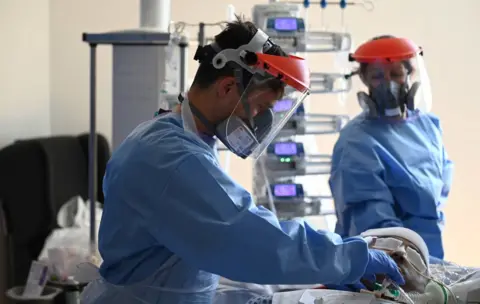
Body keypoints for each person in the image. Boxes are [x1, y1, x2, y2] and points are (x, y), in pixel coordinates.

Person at [80, 19, 404, 304]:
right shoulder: (170, 158)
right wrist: (347, 258)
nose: (262, 122)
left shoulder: (182, 138)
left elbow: (198, 255)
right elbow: (247, 235)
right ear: (227, 87)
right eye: (261, 108)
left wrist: (277, 288)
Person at [329, 35, 454, 260]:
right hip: (386, 266)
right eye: (378, 76)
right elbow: (379, 232)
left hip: (432, 257)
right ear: (364, 80)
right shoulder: (356, 142)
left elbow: (438, 194)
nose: (389, 84)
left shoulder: (428, 126)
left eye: (396, 74)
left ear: (408, 74)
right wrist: (415, 266)